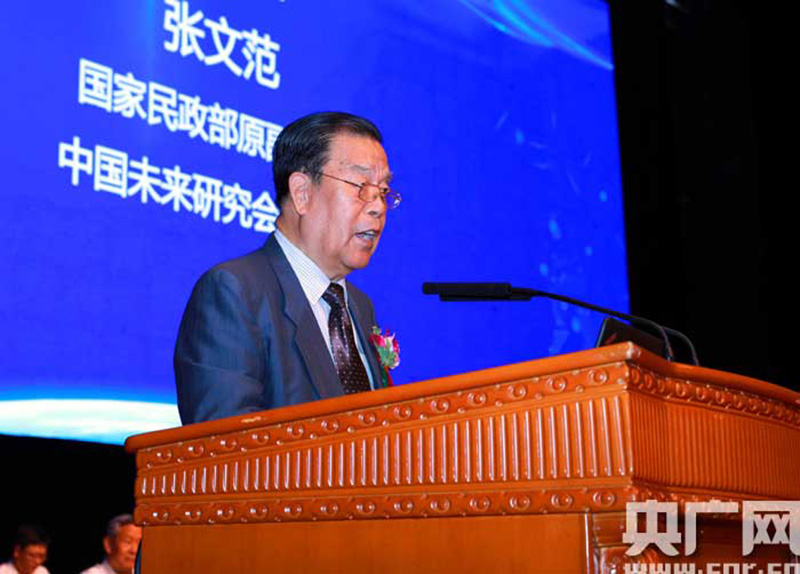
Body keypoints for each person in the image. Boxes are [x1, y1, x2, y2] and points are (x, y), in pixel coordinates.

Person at [175, 111, 400, 424]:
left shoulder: (360, 308)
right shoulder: (236, 292)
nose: (377, 207)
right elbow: (225, 442)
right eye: (361, 185)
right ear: (302, 193)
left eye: (383, 191)